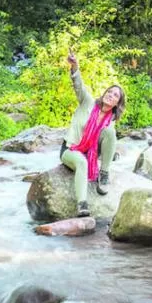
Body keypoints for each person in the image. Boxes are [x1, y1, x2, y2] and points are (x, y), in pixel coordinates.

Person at [62, 50, 126, 217]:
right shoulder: (88, 102)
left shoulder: (110, 120)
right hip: (71, 149)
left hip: (91, 151)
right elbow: (78, 84)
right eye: (109, 92)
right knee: (81, 163)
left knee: (110, 133)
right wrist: (74, 65)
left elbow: (106, 139)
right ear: (104, 94)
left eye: (115, 96)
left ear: (117, 103)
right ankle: (82, 204)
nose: (111, 96)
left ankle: (104, 173)